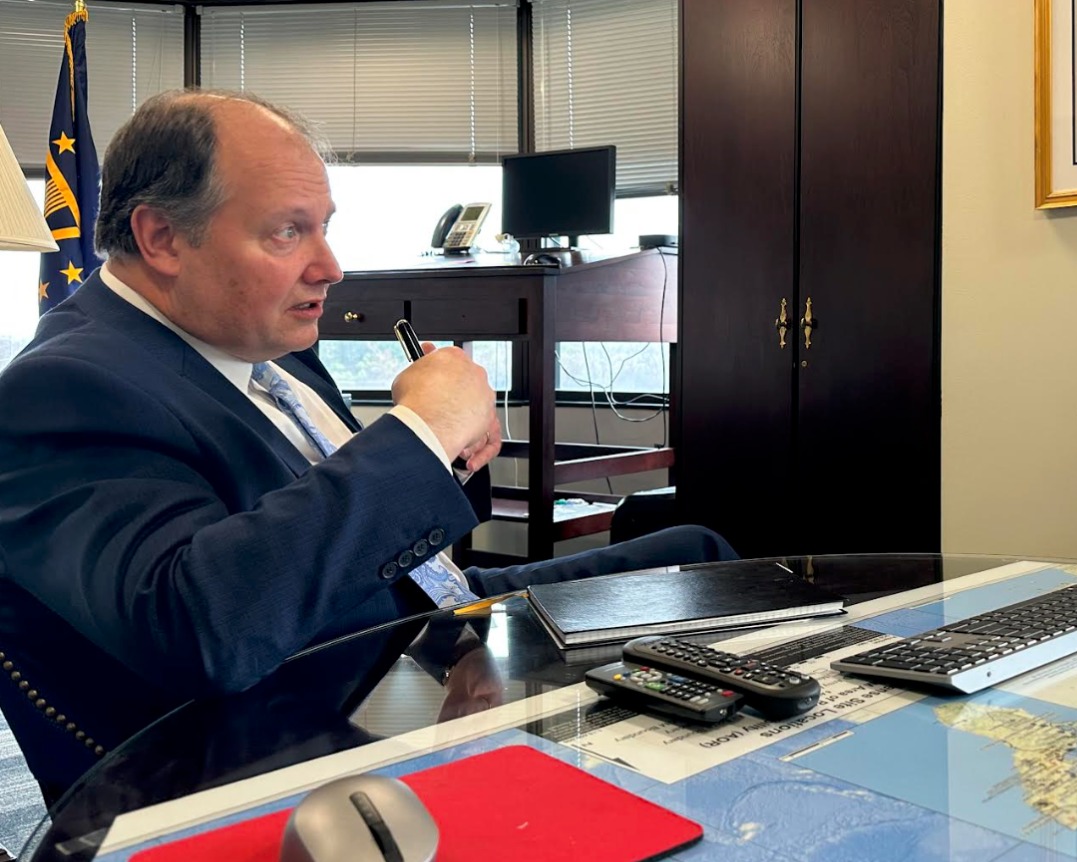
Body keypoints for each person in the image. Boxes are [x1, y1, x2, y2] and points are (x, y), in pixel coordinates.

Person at [0, 89, 734, 802]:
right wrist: (418, 434)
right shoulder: (63, 388)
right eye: (288, 232)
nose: (331, 267)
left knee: (698, 555)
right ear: (161, 237)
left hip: (422, 627)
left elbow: (348, 511)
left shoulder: (262, 343)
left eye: (324, 226)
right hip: (305, 720)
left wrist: (453, 449)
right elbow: (202, 627)